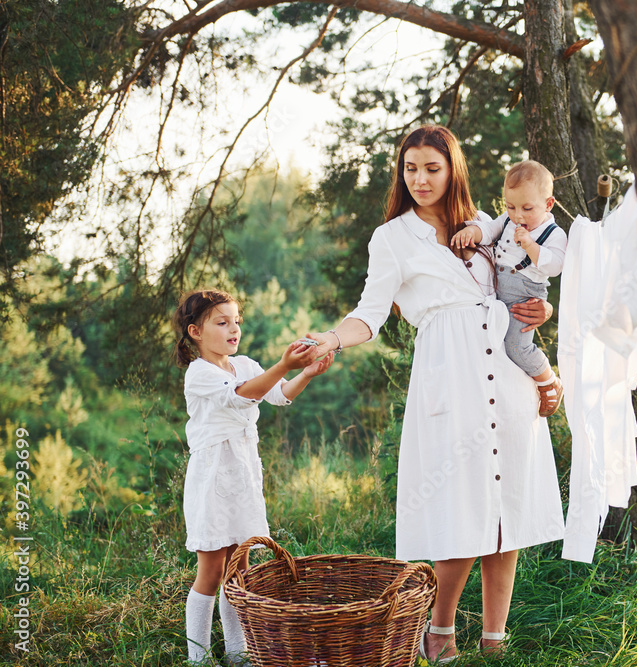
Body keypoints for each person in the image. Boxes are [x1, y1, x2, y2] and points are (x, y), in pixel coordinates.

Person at [306, 125, 565, 662]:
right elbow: (370, 313)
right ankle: (439, 630)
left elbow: (522, 285)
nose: (420, 179)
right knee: (458, 507)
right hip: (450, 375)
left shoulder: (486, 226)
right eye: (410, 169)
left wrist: (547, 313)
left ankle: (496, 639)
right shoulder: (392, 238)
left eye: (432, 168)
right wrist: (333, 337)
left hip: (508, 372)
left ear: (453, 171)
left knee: (505, 506)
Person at [172, 288, 333, 665]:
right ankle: (197, 657)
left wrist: (305, 372)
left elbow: (276, 394)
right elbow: (241, 396)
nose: (234, 329)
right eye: (222, 322)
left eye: (237, 322)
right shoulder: (199, 373)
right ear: (196, 331)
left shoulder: (244, 363)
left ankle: (237, 651)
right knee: (211, 569)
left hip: (243, 475)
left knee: (239, 568)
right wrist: (283, 365)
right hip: (213, 478)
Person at [451, 159, 568, 417]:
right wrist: (473, 232)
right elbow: (490, 229)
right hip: (498, 291)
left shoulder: (553, 233)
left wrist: (530, 246)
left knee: (516, 346)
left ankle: (548, 380)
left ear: (548, 204)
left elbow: (557, 265)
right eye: (510, 206)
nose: (518, 215)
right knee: (497, 345)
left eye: (527, 208)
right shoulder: (509, 219)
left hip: (525, 295)